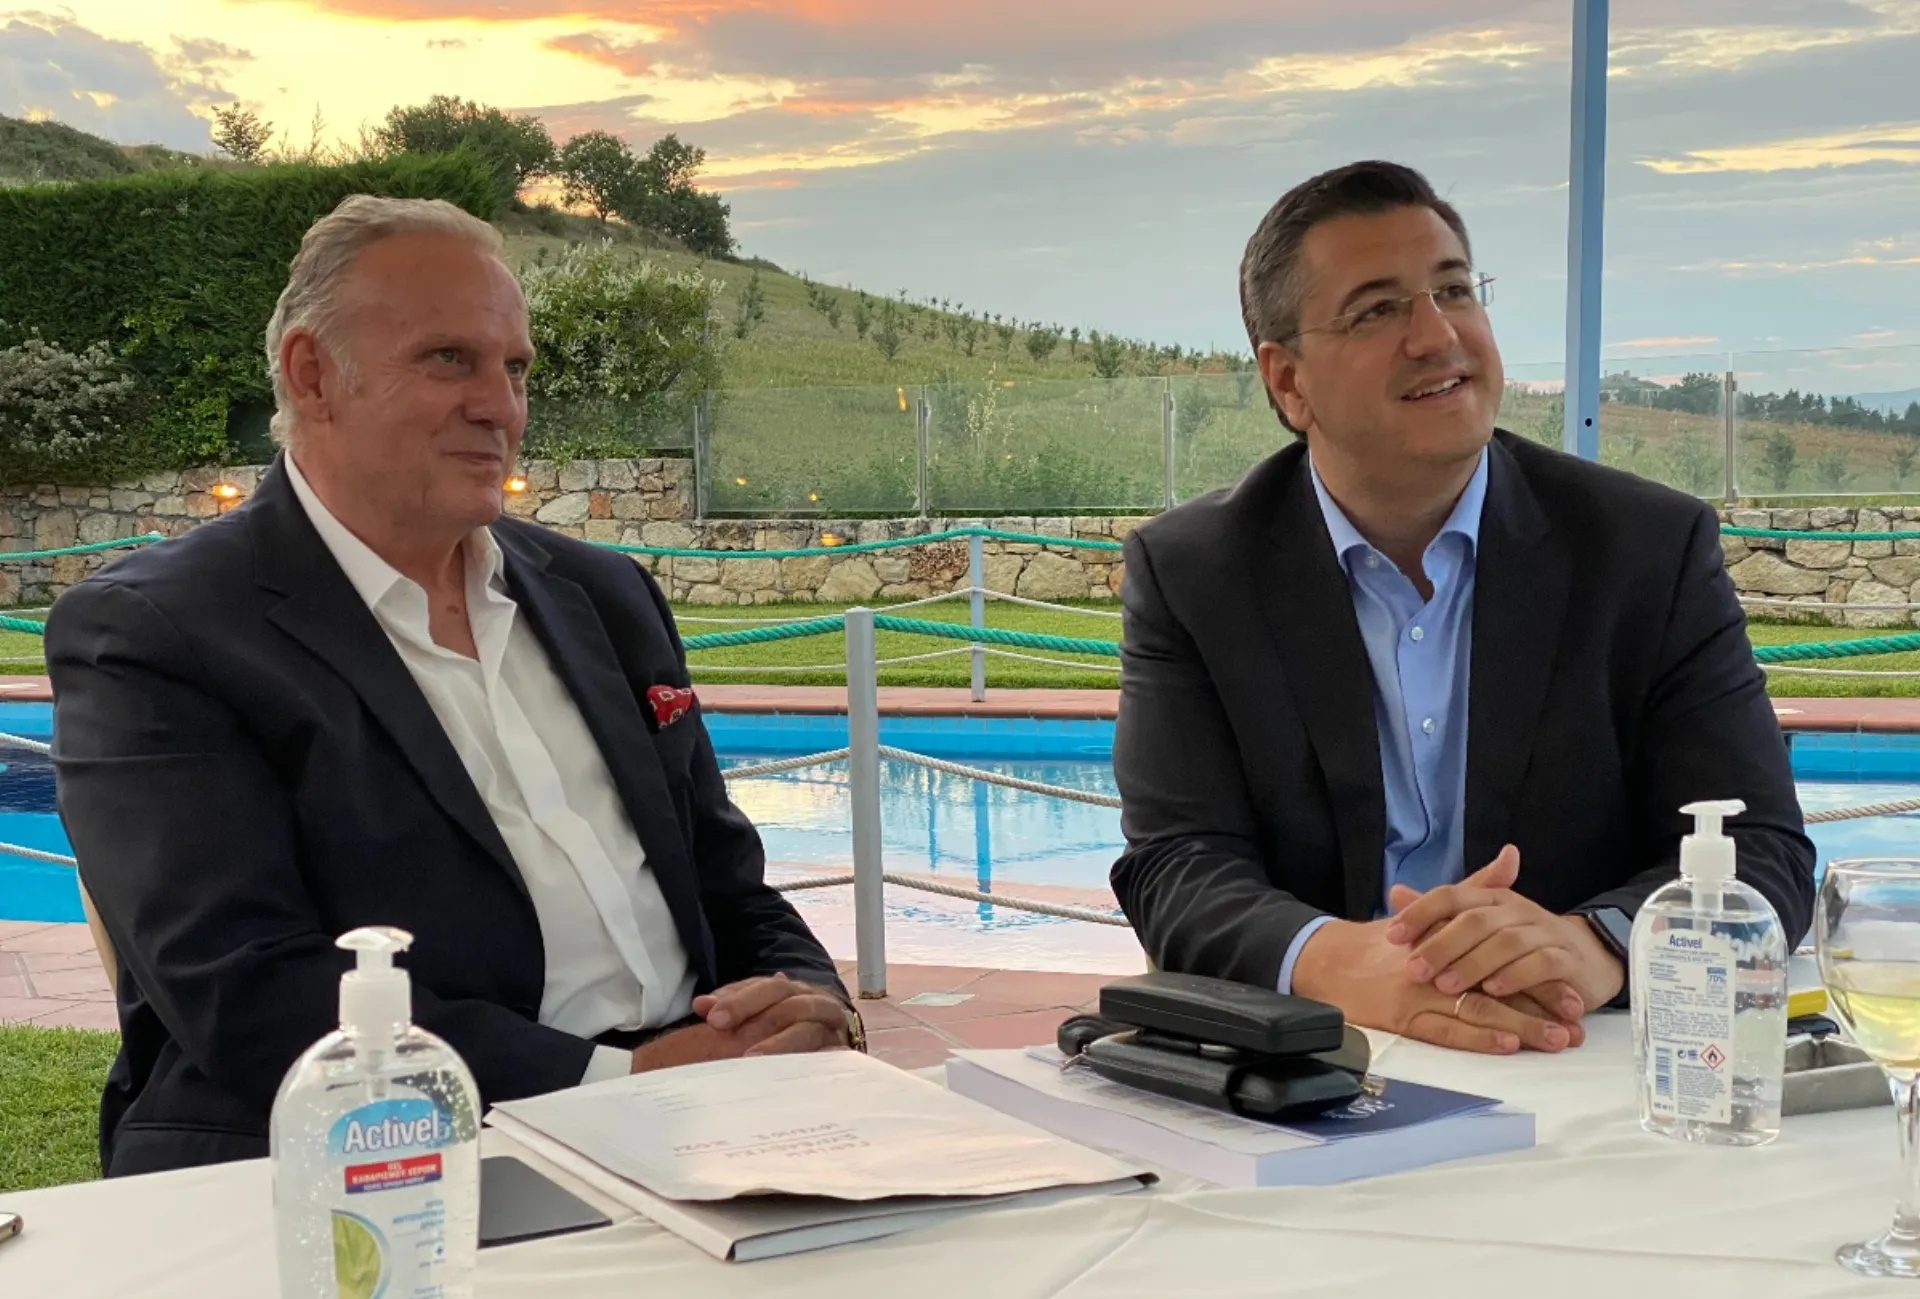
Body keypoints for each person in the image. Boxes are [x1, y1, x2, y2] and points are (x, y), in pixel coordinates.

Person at [46, 195, 860, 1177]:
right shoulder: (157, 634)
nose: (500, 406)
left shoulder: (605, 596)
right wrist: (626, 1084)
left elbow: (727, 885)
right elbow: (248, 989)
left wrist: (812, 1008)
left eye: (514, 368)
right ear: (313, 374)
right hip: (368, 1164)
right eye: (449, 359)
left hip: (706, 1128)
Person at [1110, 161, 1814, 1056]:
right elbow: (1176, 864)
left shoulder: (1646, 548)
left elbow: (1762, 850)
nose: (1437, 335)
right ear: (1288, 381)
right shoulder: (1195, 572)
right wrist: (1344, 962)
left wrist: (1597, 942)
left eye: (1453, 290)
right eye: (1376, 310)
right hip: (1324, 1061)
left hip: (1571, 1055)